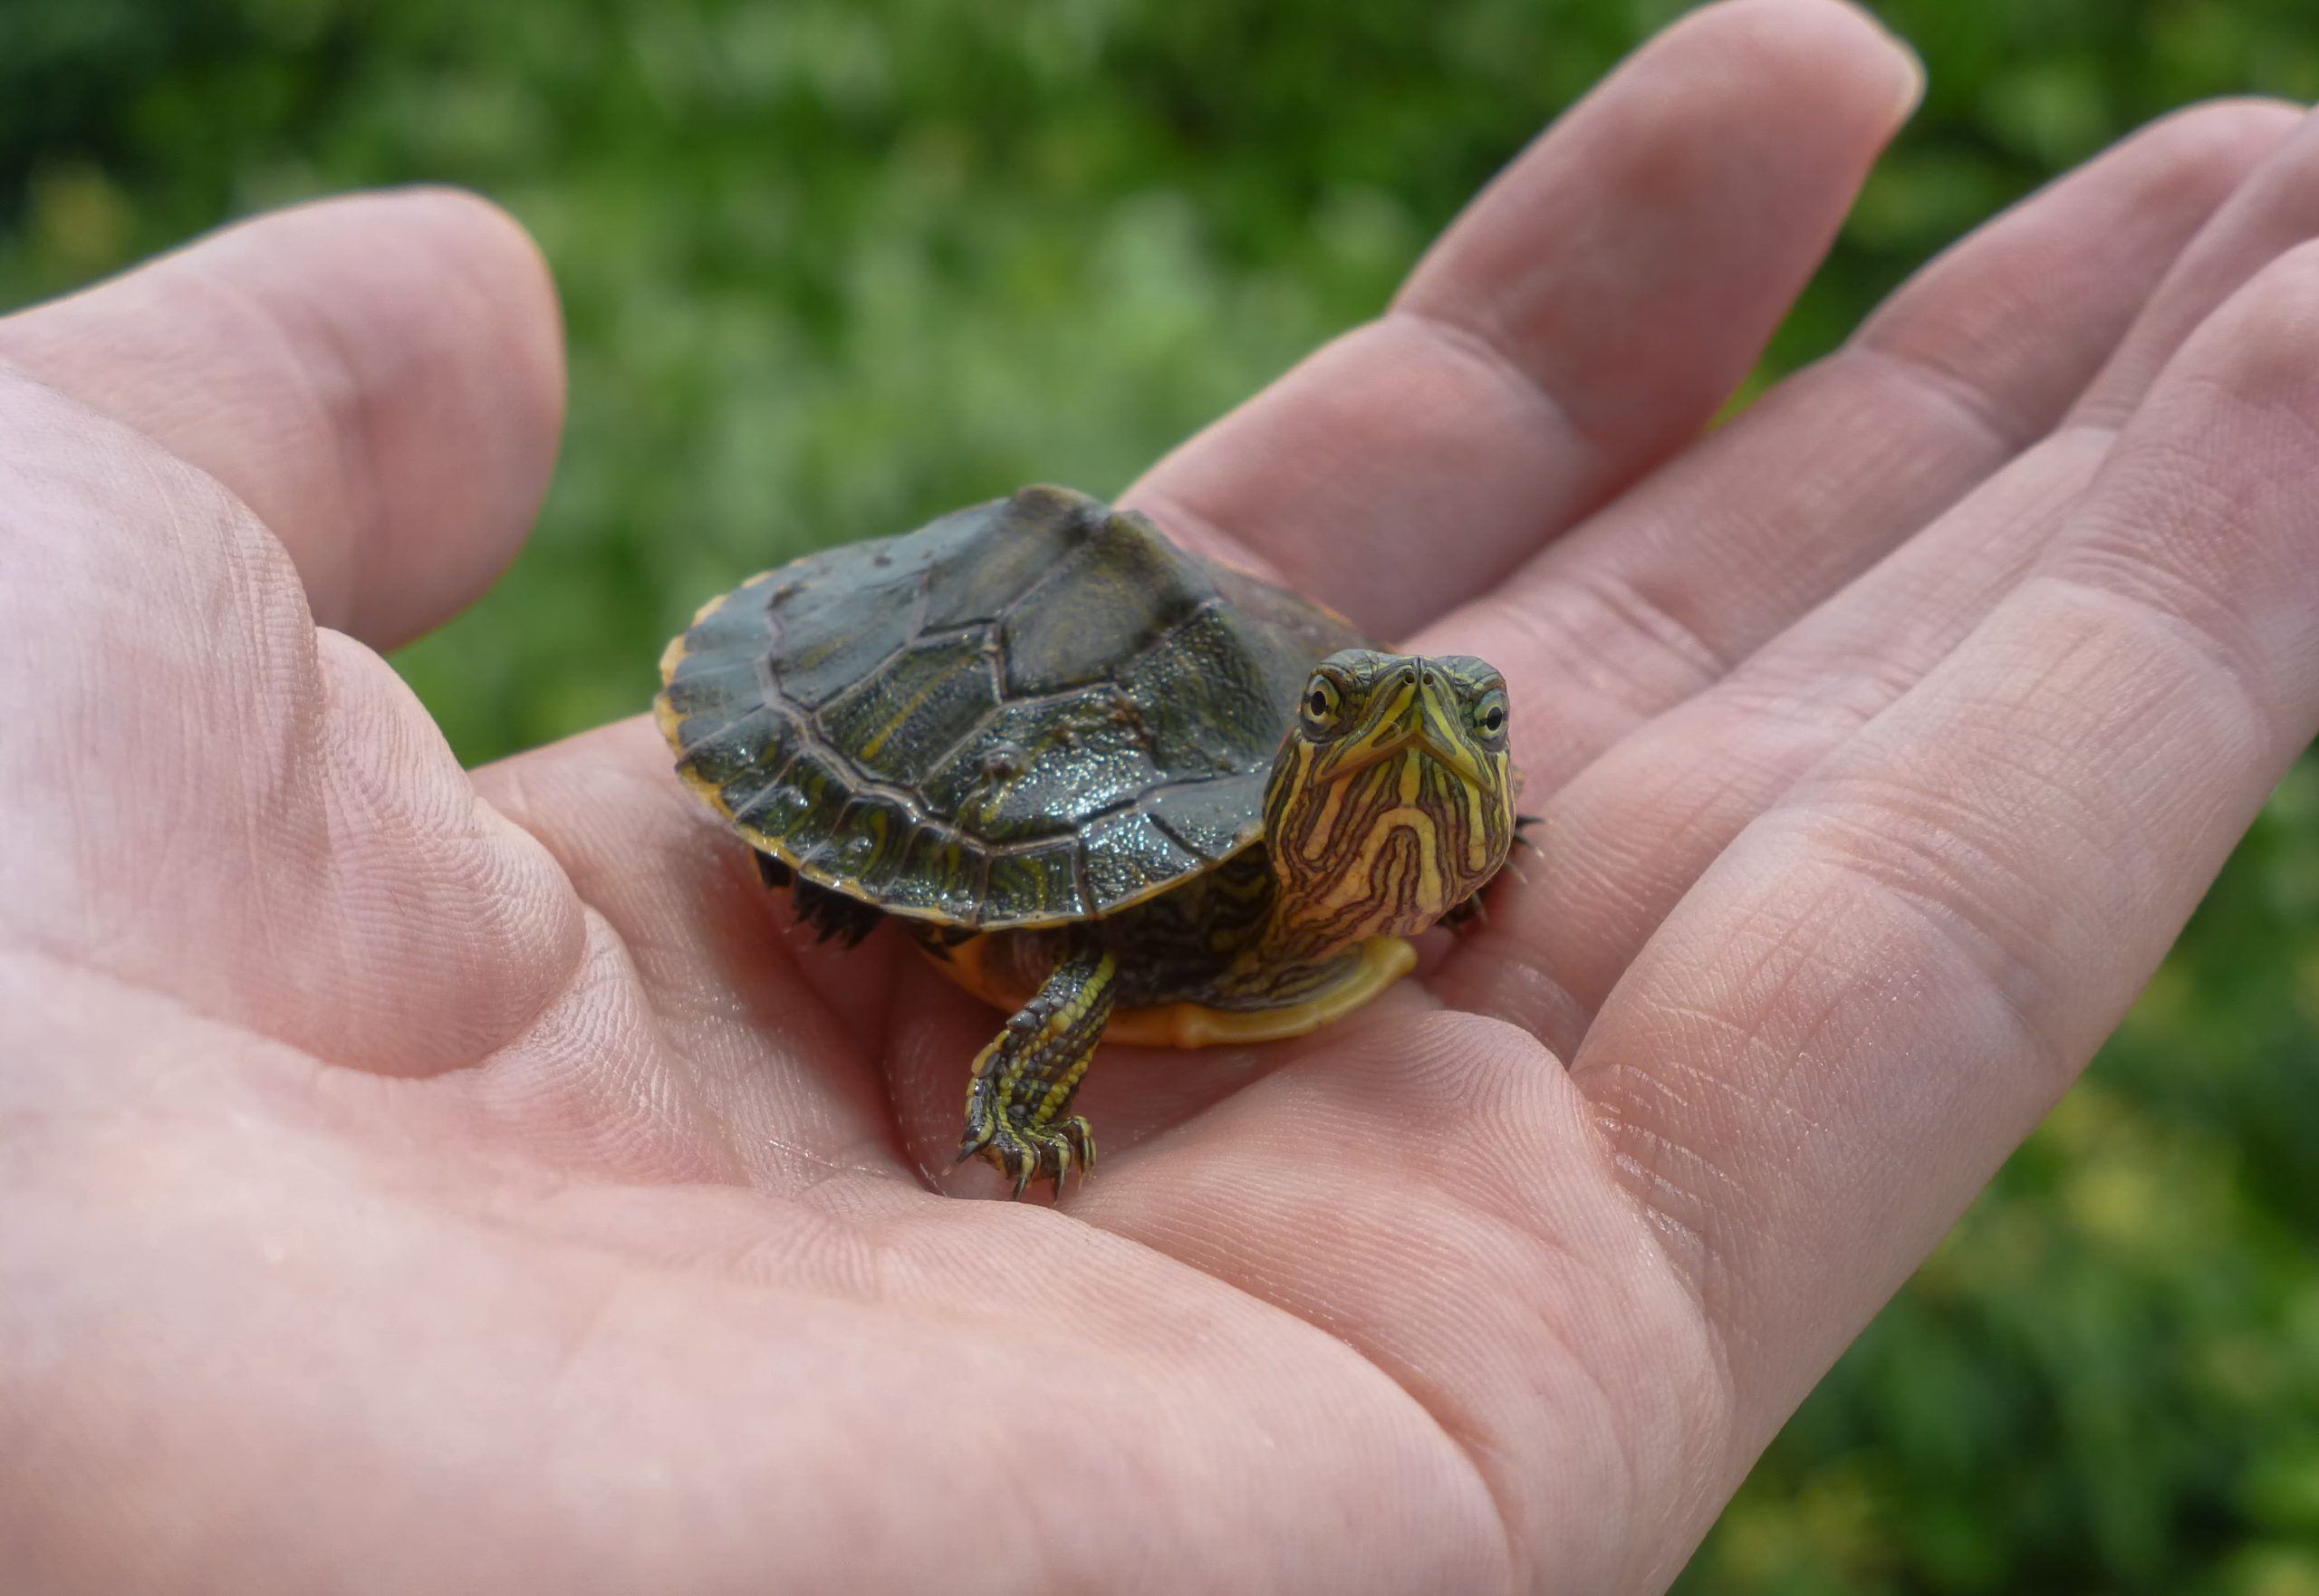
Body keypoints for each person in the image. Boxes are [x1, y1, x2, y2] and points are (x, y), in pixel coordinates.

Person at [4, 0, 2314, 1589]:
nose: (1431, 769)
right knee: (936, 893)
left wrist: (1463, 847)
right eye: (1392, 752)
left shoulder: (1393, 851)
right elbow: (1060, 946)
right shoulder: (1159, 904)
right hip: (950, 673)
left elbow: (1428, 790)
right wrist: (1008, 1037)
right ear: (1307, 786)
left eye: (1462, 755)